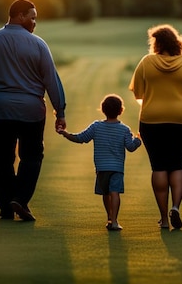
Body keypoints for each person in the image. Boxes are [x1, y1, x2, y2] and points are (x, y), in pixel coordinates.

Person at [0, 0, 67, 221]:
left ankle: (6, 208)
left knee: (2, 159)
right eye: (32, 17)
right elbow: (52, 81)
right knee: (32, 156)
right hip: (31, 112)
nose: (34, 23)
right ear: (20, 16)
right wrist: (59, 112)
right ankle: (20, 199)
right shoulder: (38, 45)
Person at [129, 24, 182, 230]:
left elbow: (137, 93)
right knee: (178, 164)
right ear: (176, 42)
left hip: (152, 121)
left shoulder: (147, 62)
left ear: (157, 44)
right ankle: (175, 206)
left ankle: (164, 219)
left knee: (158, 166)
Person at [56, 94, 142, 231]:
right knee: (115, 192)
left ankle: (109, 217)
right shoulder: (124, 129)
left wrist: (65, 133)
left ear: (102, 110)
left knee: (105, 193)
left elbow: (80, 138)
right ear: (121, 111)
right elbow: (131, 147)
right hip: (117, 168)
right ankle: (114, 221)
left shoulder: (96, 126)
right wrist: (138, 139)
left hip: (101, 168)